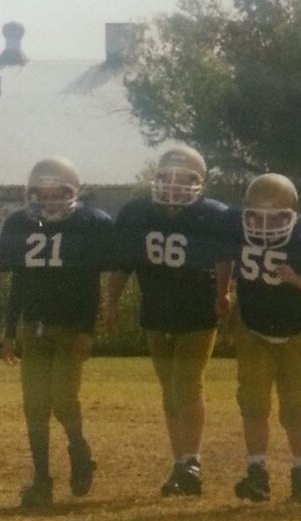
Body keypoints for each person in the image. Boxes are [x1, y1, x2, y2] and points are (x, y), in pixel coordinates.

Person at [105, 146, 231, 497]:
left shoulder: (213, 216)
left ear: (199, 183)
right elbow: (123, 264)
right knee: (169, 390)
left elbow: (224, 260)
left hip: (197, 312)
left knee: (186, 385)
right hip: (156, 310)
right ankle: (180, 463)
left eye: (183, 180)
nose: (173, 186)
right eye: (166, 179)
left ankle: (191, 461)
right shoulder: (137, 213)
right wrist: (110, 301)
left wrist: (223, 293)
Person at [0, 157, 113, 510]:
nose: (48, 199)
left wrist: (87, 330)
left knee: (63, 399)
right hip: (32, 327)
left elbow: (93, 282)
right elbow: (18, 281)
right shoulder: (19, 224)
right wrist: (8, 329)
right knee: (34, 406)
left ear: (71, 192)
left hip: (69, 328)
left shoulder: (91, 224)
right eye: (42, 192)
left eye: (56, 192)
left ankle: (79, 451)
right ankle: (41, 480)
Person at [228, 173, 301, 503]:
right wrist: (233, 312)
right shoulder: (236, 231)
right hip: (254, 329)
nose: (265, 223)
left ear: (292, 213)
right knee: (253, 404)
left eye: (276, 215)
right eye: (257, 215)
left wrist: (296, 280)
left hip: (297, 332)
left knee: (295, 408)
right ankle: (257, 472)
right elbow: (240, 278)